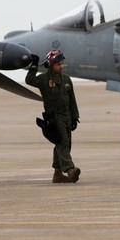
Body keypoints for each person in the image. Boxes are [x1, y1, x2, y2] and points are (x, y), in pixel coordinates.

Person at [26, 50, 81, 183]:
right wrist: (33, 66)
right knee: (62, 142)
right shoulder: (44, 79)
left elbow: (72, 99)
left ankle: (57, 174)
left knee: (65, 145)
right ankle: (70, 170)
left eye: (62, 63)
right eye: (57, 64)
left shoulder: (67, 79)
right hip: (55, 118)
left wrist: (75, 117)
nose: (61, 66)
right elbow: (29, 80)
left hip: (67, 116)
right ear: (50, 65)